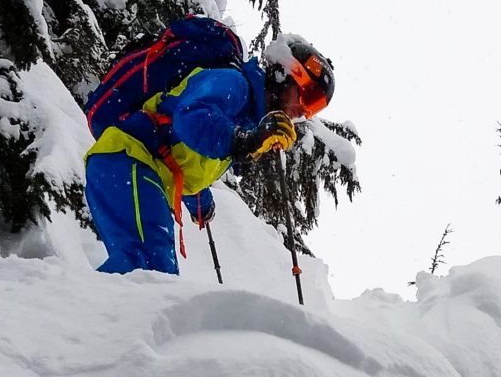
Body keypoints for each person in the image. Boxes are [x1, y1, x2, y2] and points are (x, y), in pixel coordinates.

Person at [83, 33, 335, 275]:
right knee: (148, 269)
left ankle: (72, 310)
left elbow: (182, 157)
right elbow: (190, 117)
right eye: (306, 95)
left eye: (312, 108)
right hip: (129, 160)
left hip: (129, 167)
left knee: (146, 272)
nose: (302, 111)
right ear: (284, 74)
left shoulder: (243, 119)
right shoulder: (234, 84)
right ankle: (62, 307)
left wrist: (200, 202)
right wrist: (244, 142)